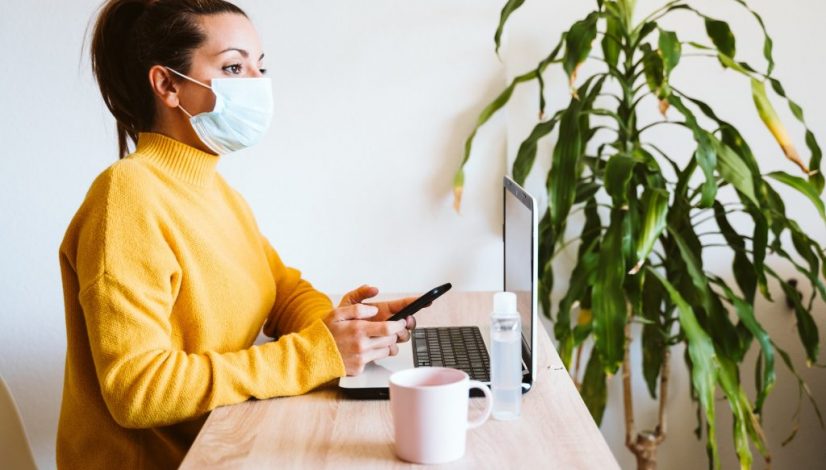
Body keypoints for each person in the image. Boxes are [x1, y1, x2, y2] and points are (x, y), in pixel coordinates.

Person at [57, 1, 416, 468]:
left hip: (221, 444)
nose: (257, 85)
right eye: (233, 66)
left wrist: (346, 326)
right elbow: (137, 389)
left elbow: (281, 292)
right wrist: (315, 354)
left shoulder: (211, 188)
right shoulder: (127, 197)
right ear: (167, 84)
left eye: (259, 67)